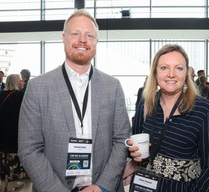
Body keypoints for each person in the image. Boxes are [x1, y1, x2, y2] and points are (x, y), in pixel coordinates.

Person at [18, 9, 131, 192]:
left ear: (96, 41)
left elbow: (121, 140)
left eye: (89, 35)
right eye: (75, 34)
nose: (82, 40)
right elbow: (29, 149)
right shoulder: (37, 87)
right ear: (64, 38)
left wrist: (103, 186)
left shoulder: (113, 86)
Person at [129, 44, 209, 192]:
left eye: (178, 68)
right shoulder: (145, 104)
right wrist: (133, 153)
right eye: (164, 67)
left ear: (186, 73)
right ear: (155, 73)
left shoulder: (203, 110)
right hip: (143, 185)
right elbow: (133, 146)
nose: (171, 74)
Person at [0, 74, 26, 192]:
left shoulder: (1, 94)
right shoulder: (19, 95)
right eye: (20, 80)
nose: (22, 82)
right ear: (16, 82)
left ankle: (4, 182)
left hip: (2, 128)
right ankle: (11, 182)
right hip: (14, 130)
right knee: (13, 155)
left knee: (3, 154)